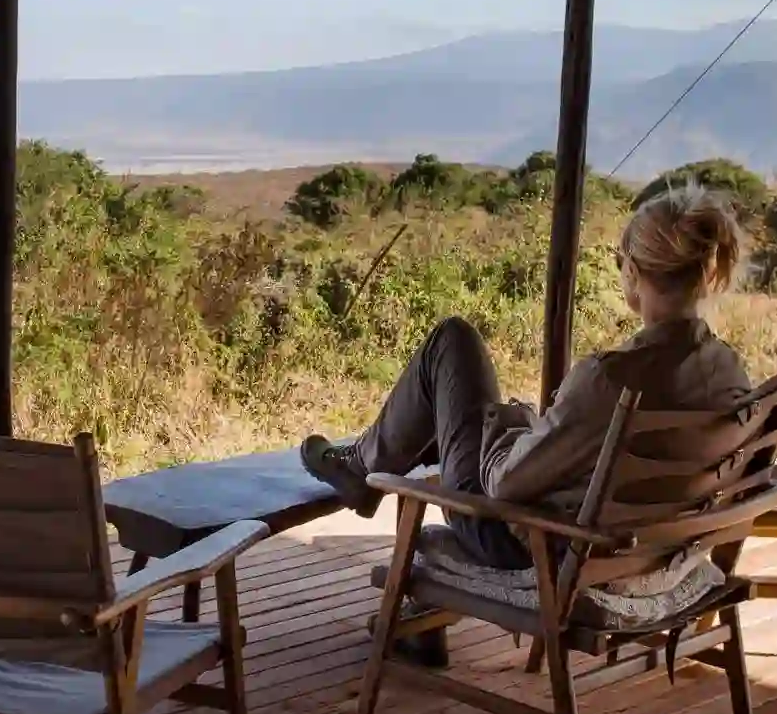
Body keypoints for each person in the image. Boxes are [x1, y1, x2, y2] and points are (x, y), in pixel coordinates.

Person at [300, 183, 752, 574]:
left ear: (632, 273)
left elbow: (502, 482)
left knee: (451, 342)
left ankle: (360, 467)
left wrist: (513, 421)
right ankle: (370, 467)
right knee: (461, 410)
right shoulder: (730, 371)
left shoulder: (608, 380)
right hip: (653, 547)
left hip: (534, 541)